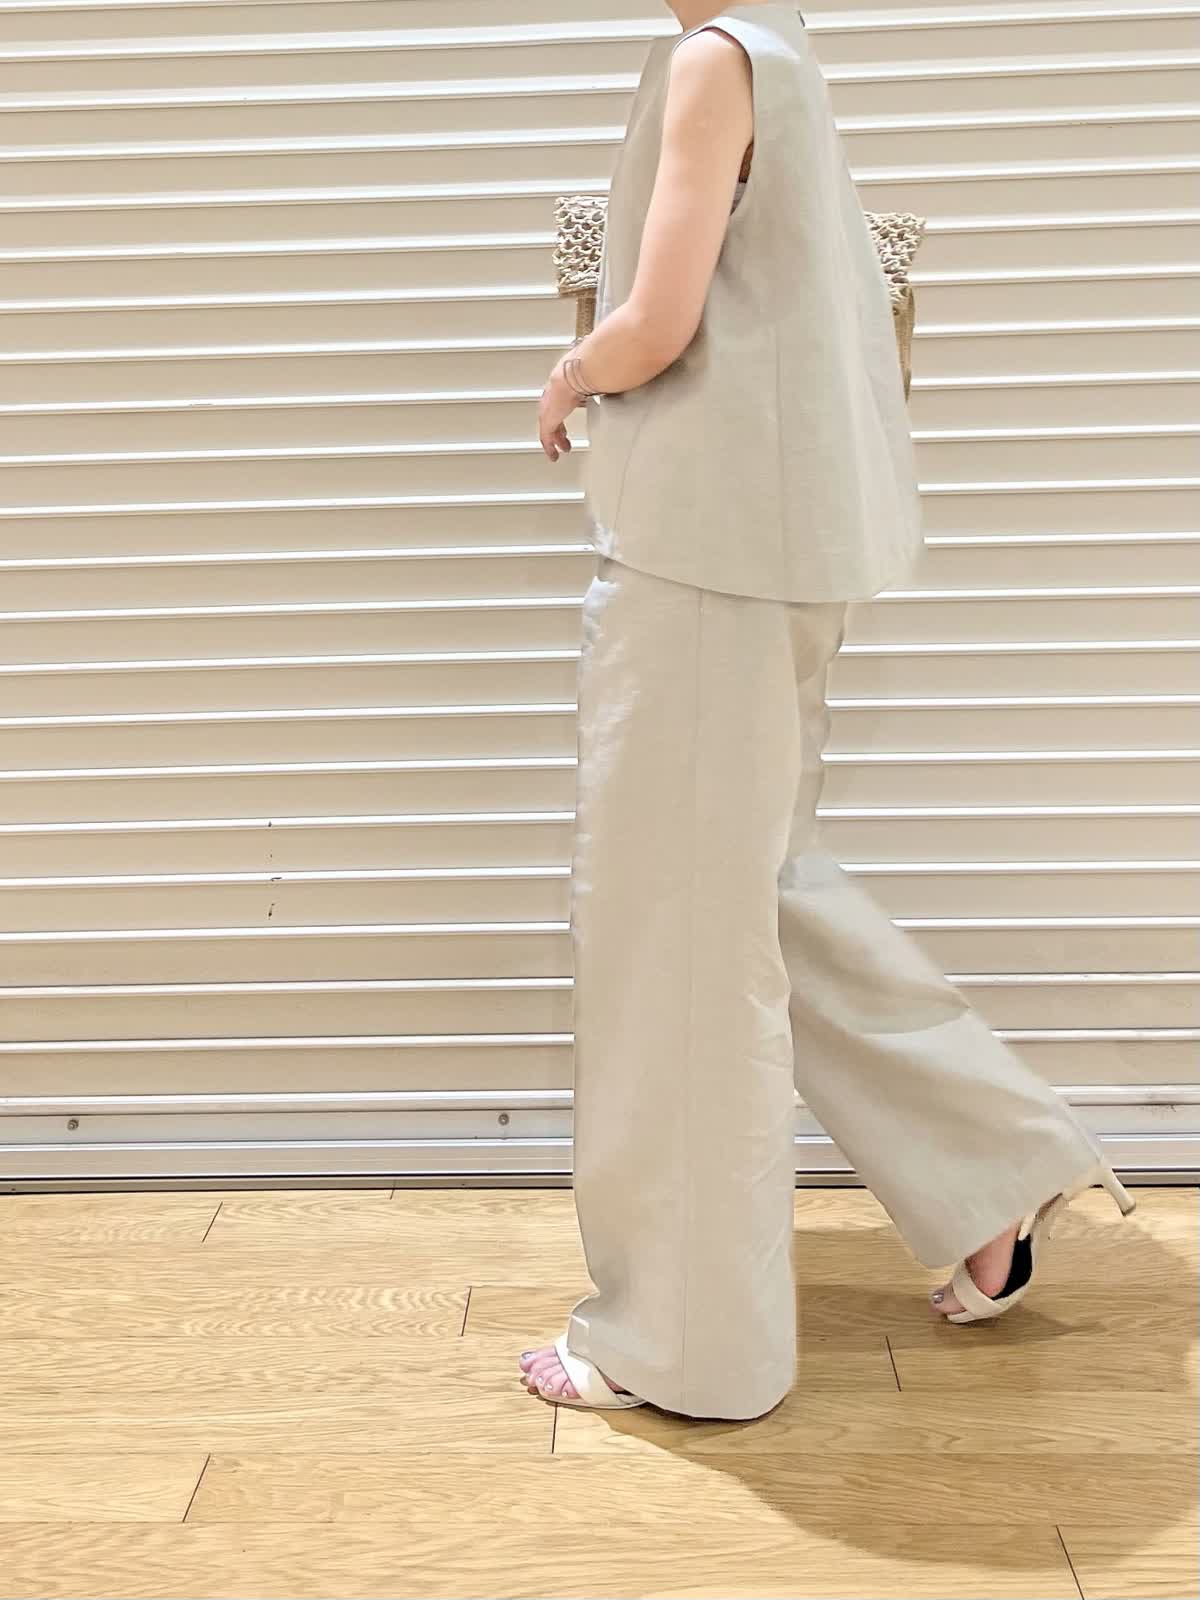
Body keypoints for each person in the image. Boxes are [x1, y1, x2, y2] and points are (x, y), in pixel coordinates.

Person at [517, 1, 1136, 1418]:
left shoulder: (713, 60)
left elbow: (658, 322)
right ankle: (988, 1173)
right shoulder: (780, 52)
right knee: (758, 886)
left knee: (676, 941)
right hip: (774, 557)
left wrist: (570, 373)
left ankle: (685, 1345)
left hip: (703, 561)